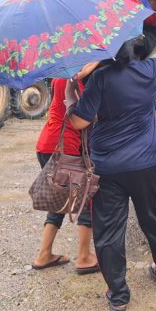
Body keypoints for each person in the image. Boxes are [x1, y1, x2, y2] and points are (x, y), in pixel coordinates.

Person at [69, 14, 156, 311]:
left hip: (108, 168)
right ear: (133, 49)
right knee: (154, 220)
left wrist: (75, 99)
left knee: (109, 230)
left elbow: (79, 122)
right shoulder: (148, 71)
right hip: (146, 164)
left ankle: (119, 295)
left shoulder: (99, 79)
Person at [31, 64, 99, 273]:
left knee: (59, 200)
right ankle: (84, 257)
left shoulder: (60, 75)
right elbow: (85, 118)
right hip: (67, 147)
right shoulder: (80, 80)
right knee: (86, 199)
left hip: (47, 143)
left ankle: (44, 254)